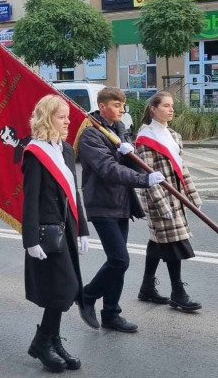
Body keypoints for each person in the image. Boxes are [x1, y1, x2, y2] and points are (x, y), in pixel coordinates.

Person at [77, 87, 164, 333]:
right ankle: (87, 295)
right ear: (102, 106)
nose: (122, 110)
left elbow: (126, 160)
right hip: (102, 203)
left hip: (121, 202)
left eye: (123, 105)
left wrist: (130, 153)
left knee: (118, 262)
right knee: (119, 259)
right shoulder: (91, 134)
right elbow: (107, 169)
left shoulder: (119, 128)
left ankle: (111, 313)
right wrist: (142, 180)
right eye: (117, 105)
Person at [21, 95, 89, 372]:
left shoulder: (66, 151)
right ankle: (42, 342)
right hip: (47, 233)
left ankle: (51, 341)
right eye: (62, 117)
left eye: (68, 117)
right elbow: (30, 199)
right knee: (65, 289)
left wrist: (83, 229)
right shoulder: (35, 153)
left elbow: (75, 192)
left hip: (68, 228)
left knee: (63, 291)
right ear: (48, 118)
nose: (68, 122)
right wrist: (30, 240)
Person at [134, 91, 203, 311]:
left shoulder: (174, 135)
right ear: (153, 109)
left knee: (158, 241)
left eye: (172, 106)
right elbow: (149, 175)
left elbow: (182, 168)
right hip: (158, 199)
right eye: (166, 105)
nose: (171, 109)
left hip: (176, 196)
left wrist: (193, 196)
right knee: (174, 242)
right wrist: (163, 206)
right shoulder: (145, 137)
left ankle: (146, 287)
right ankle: (178, 293)